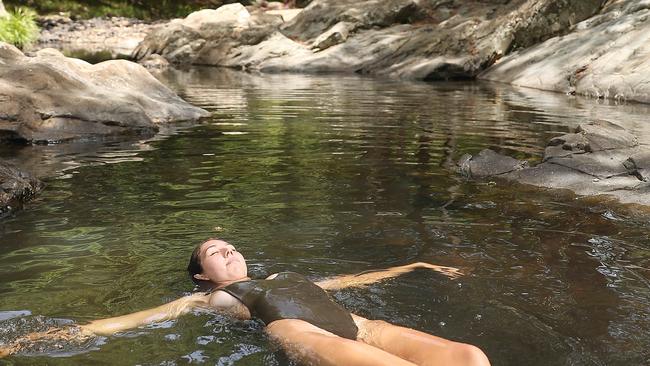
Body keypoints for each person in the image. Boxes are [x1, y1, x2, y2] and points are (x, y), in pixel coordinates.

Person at [1, 238, 490, 365]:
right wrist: (40, 339)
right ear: (201, 274)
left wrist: (416, 267)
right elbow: (126, 321)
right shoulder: (204, 301)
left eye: (230, 245)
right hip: (300, 332)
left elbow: (353, 280)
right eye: (215, 252)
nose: (227, 251)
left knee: (469, 356)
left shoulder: (287, 274)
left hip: (361, 325)